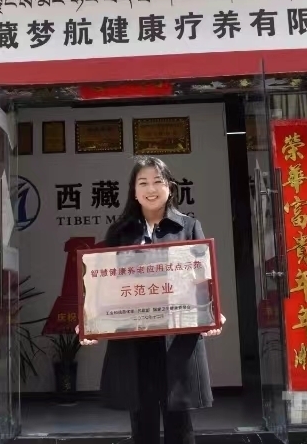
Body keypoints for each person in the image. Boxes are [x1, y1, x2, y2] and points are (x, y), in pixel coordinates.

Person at [76, 156, 225, 444]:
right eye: (143, 182)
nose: (151, 189)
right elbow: (104, 285)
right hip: (135, 344)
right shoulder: (119, 232)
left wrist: (213, 311)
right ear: (134, 191)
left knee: (180, 426)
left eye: (158, 181)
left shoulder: (188, 227)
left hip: (177, 342)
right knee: (142, 426)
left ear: (170, 187)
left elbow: (202, 281)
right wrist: (90, 320)